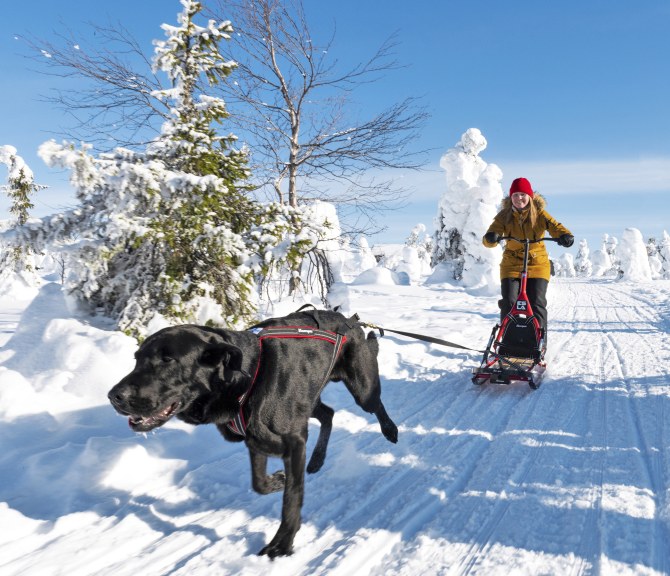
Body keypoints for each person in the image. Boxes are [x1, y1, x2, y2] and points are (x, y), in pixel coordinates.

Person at [482, 177, 573, 337]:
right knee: (509, 302)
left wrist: (565, 236)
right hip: (512, 264)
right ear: (511, 197)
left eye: (522, 194)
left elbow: (556, 227)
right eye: (515, 195)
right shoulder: (504, 215)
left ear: (530, 196)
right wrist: (491, 237)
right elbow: (491, 233)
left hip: (538, 264)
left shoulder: (540, 214)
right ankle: (508, 340)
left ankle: (538, 340)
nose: (519, 198)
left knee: (536, 302)